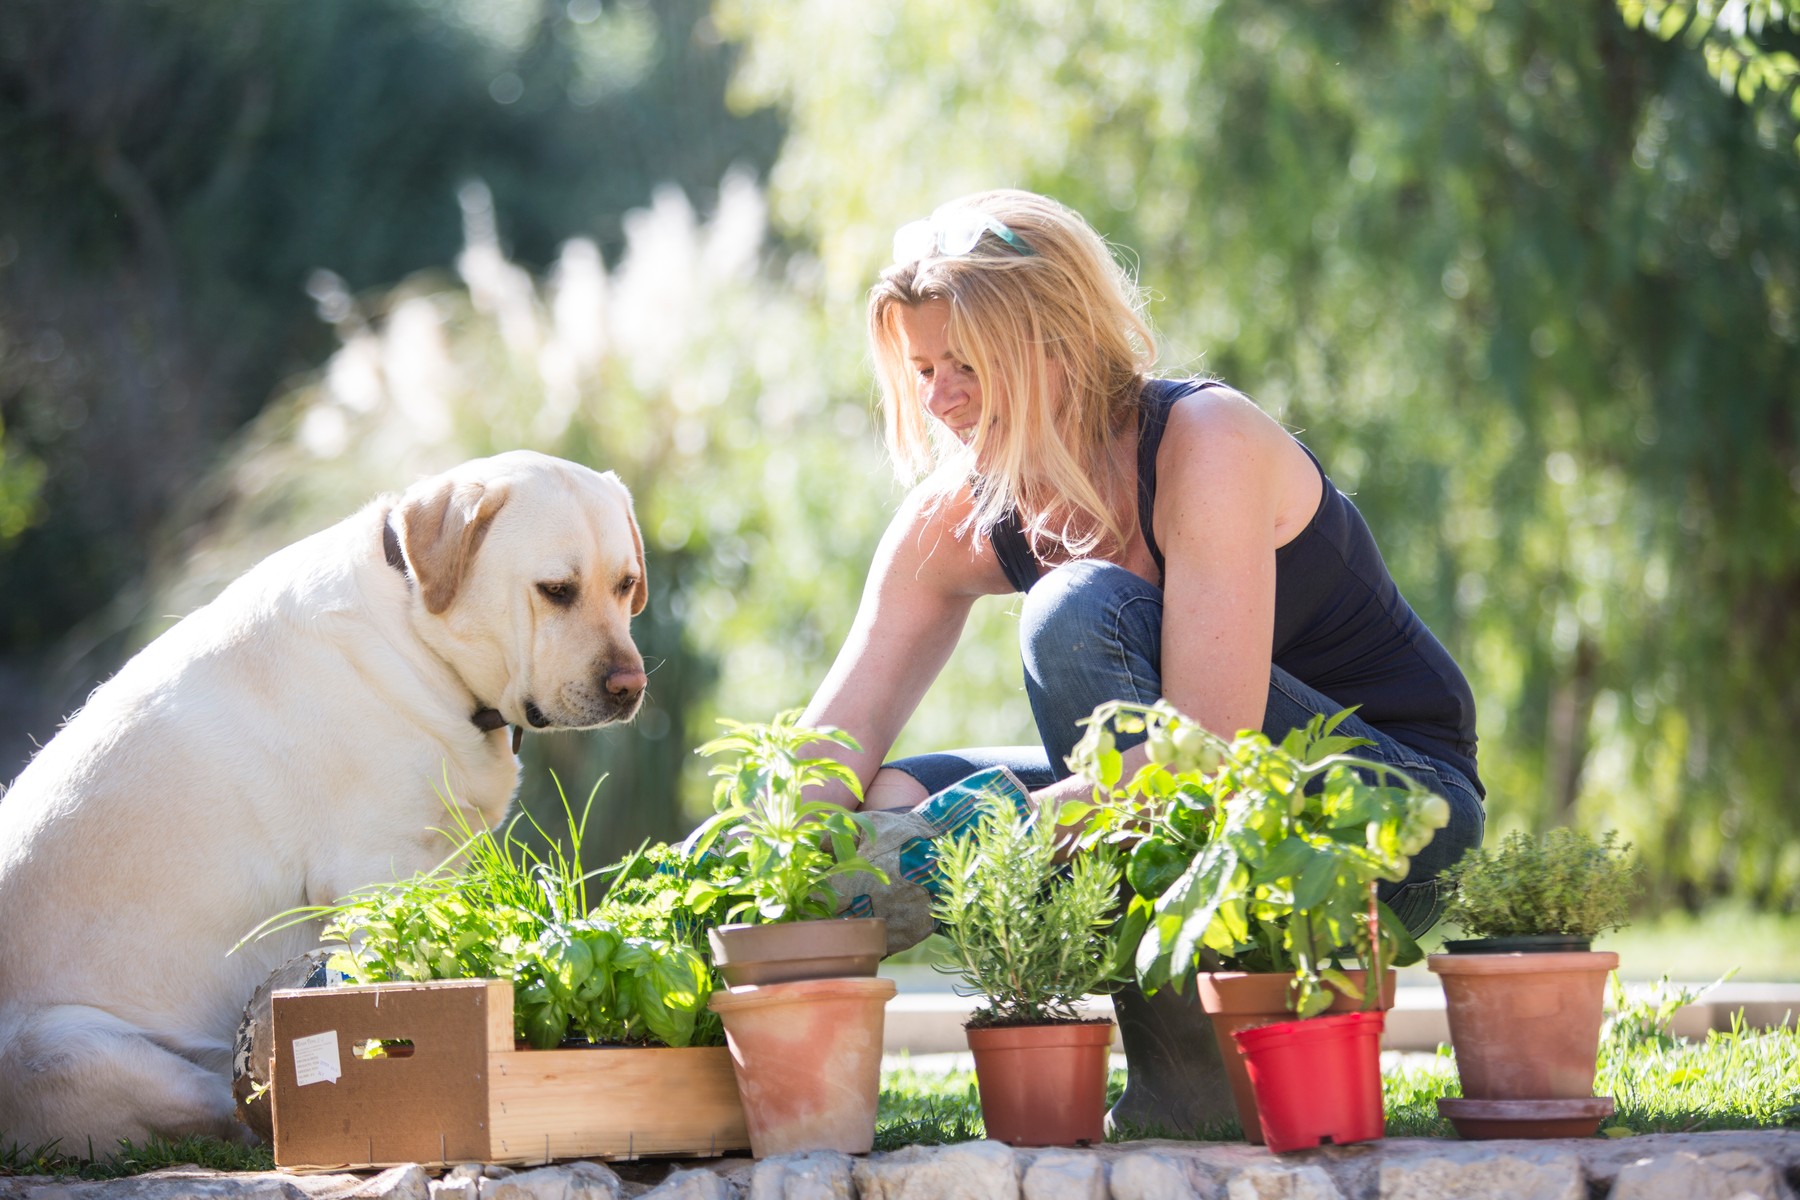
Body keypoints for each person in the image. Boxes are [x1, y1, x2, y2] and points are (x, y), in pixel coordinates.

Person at [799, 188, 1484, 1133]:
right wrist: (778, 867)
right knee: (887, 803)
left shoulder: (1207, 444)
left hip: (1392, 808)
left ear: (1058, 349)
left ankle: (1191, 1079)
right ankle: (1186, 1061)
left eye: (966, 365)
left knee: (1076, 615)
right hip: (1197, 789)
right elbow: (833, 741)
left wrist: (986, 839)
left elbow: (1204, 752)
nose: (939, 399)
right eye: (921, 369)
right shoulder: (959, 514)